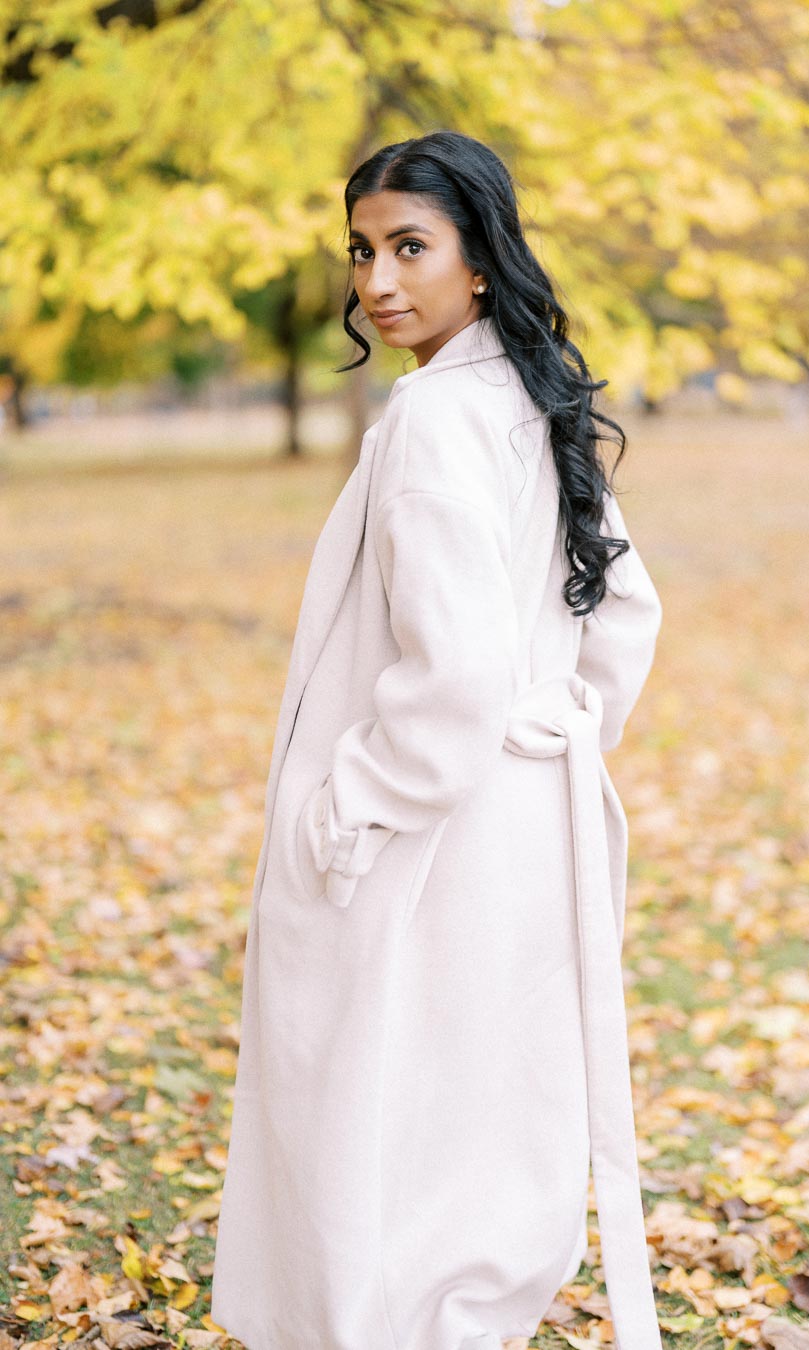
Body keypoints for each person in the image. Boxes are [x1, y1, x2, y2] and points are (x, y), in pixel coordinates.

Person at [210, 130, 664, 1350]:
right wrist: (562, 732)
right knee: (478, 1099)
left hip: (428, 832)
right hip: (524, 821)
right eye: (362, 251)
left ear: (480, 259)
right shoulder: (536, 395)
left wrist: (348, 806)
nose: (377, 283)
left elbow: (454, 674)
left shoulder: (436, 423)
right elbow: (621, 614)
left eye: (411, 247)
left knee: (377, 1098)